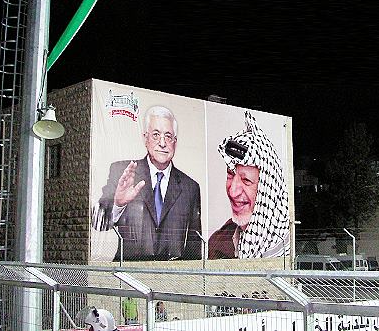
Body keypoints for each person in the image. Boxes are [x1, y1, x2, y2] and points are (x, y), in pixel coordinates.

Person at [93, 105, 202, 261]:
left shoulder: (190, 187)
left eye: (168, 136)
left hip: (173, 278)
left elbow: (194, 244)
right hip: (129, 276)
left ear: (175, 142)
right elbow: (98, 224)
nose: (162, 143)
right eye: (156, 135)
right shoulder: (122, 172)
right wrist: (118, 204)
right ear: (145, 138)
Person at [208, 111, 289, 259]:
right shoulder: (218, 242)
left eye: (246, 181)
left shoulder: (285, 245)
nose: (233, 192)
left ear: (267, 189)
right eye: (230, 175)